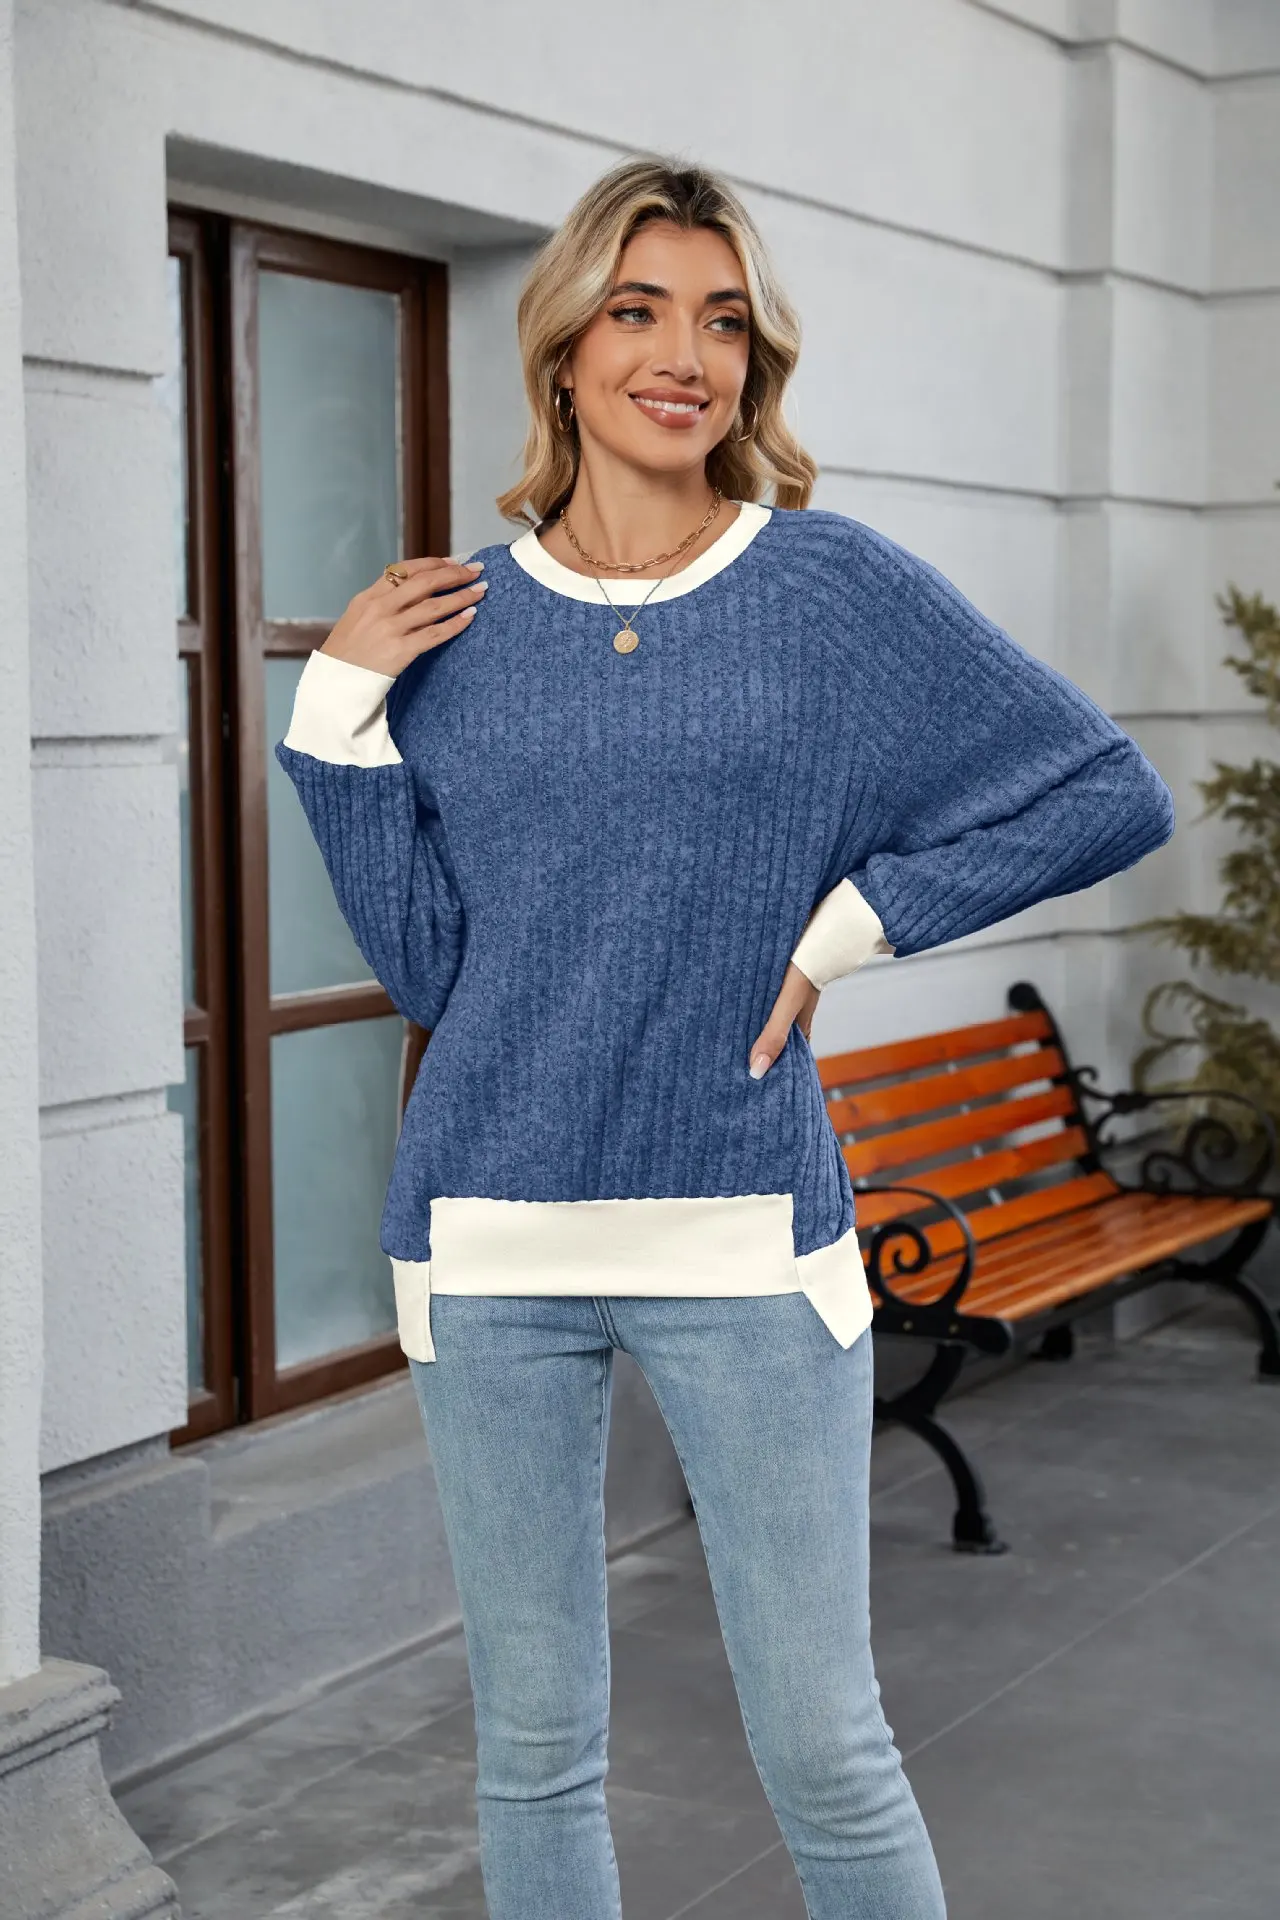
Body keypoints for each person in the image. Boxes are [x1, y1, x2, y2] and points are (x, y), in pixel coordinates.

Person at [275, 156, 1175, 1918]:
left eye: (723, 320)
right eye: (637, 310)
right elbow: (443, 978)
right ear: (565, 348)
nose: (681, 355)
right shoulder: (455, 628)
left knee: (827, 1748)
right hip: (489, 1244)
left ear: (755, 364)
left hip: (751, 1242)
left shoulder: (827, 591)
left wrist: (853, 926)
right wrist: (337, 723)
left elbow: (1105, 789)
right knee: (535, 1752)